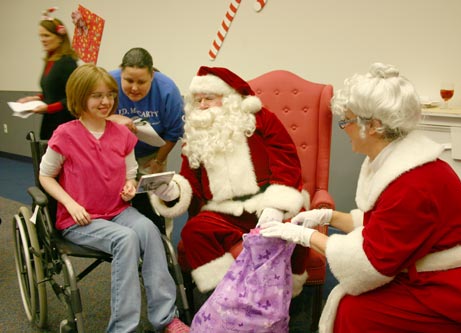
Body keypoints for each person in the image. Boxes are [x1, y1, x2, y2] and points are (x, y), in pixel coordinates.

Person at [259, 62, 461, 333]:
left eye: (346, 121)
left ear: (372, 126)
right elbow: (385, 225)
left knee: (354, 310)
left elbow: (369, 264)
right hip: (435, 264)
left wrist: (305, 236)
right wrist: (328, 217)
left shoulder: (413, 183)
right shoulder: (396, 161)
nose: (343, 128)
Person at [38, 63, 189, 333]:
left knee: (151, 232)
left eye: (109, 94)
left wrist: (130, 186)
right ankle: (122, 328)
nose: (106, 101)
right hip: (80, 219)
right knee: (126, 239)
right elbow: (46, 176)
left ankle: (166, 318)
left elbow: (130, 174)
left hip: (117, 210)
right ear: (79, 96)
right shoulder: (65, 135)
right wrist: (70, 204)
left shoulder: (121, 134)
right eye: (97, 95)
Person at [150, 66, 310, 299]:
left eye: (209, 98)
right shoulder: (196, 134)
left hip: (265, 205)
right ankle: (229, 294)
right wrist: (171, 192)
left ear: (229, 98)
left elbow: (287, 161)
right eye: (198, 100)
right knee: (195, 230)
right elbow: (189, 185)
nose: (202, 105)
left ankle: (273, 293)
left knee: (291, 226)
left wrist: (275, 206)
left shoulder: (261, 120)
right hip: (222, 213)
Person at [108, 47, 184, 234]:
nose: (134, 88)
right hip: (116, 152)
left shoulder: (167, 90)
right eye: (128, 81)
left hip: (153, 151)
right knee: (119, 197)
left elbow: (173, 132)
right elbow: (89, 115)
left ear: (152, 75)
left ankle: (163, 240)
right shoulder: (108, 82)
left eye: (141, 82)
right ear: (120, 73)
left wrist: (158, 160)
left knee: (157, 198)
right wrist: (113, 119)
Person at [17, 7, 78, 140]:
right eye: (41, 36)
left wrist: (47, 108)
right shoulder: (50, 60)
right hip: (50, 122)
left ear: (60, 38)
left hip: (64, 123)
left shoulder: (67, 62)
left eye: (47, 35)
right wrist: (35, 98)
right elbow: (53, 92)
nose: (42, 40)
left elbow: (72, 99)